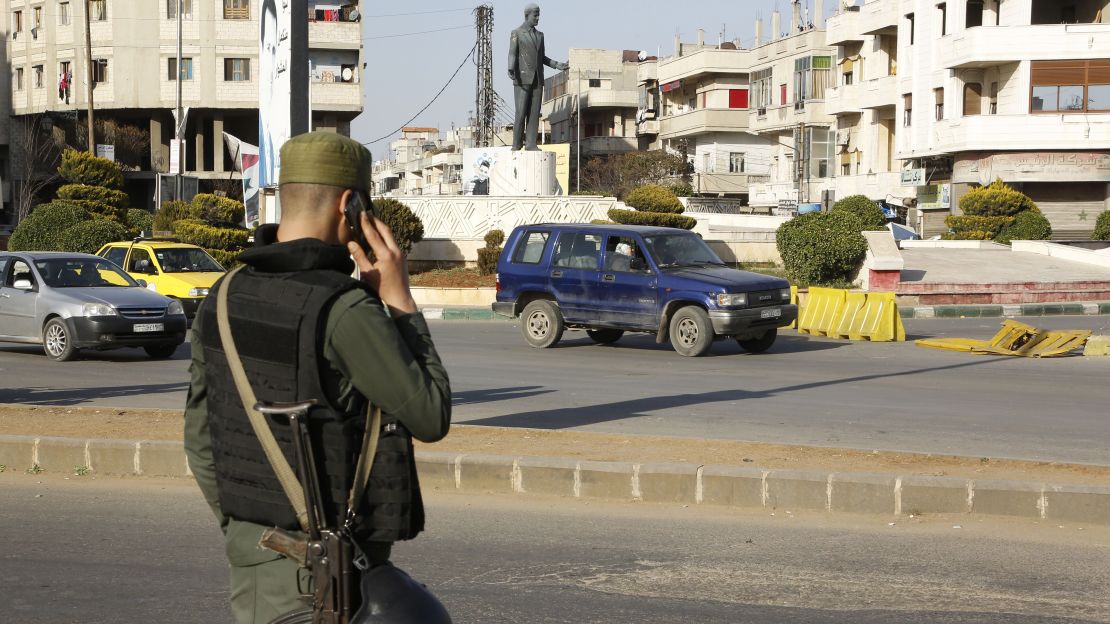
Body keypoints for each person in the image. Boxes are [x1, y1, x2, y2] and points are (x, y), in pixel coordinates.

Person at [184, 132, 452, 624]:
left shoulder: (222, 297)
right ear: (350, 205)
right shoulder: (345, 309)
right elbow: (430, 414)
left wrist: (248, 531)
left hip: (256, 573)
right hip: (334, 587)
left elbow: (201, 442)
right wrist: (399, 301)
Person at [507, 4, 568, 151]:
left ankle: (531, 144)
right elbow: (512, 53)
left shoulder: (540, 35)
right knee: (521, 112)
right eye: (535, 15)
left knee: (534, 114)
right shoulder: (517, 33)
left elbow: (542, 58)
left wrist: (556, 64)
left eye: (539, 15)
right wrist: (510, 68)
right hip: (521, 78)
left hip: (537, 79)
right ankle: (516, 145)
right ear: (527, 15)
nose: (538, 18)